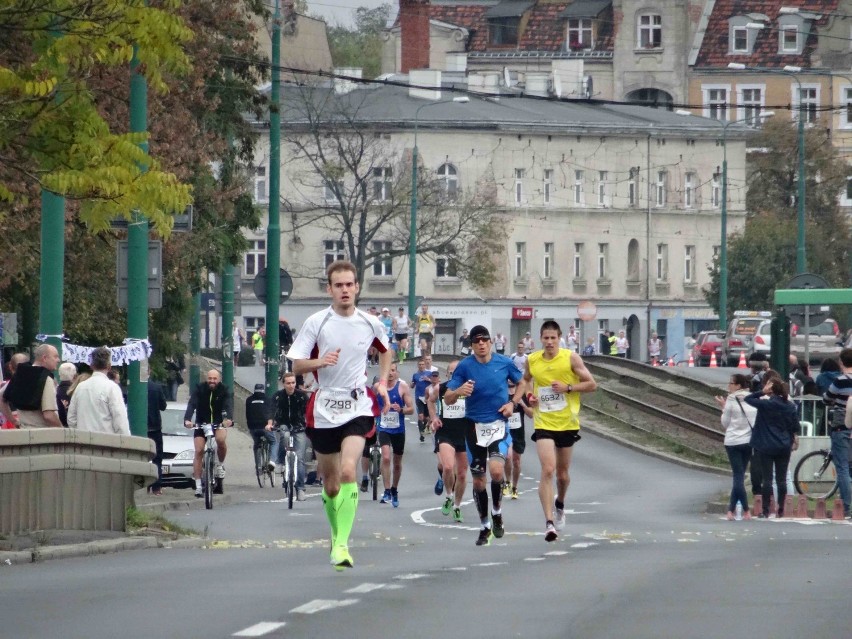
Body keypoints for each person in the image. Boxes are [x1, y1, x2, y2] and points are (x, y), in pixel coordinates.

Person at [288, 260, 391, 570]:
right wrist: (320, 363)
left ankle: (343, 545)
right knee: (331, 485)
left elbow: (386, 350)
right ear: (329, 289)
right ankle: (336, 535)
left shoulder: (370, 322)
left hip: (358, 404)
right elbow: (296, 366)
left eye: (350, 284)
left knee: (349, 471)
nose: (345, 290)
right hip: (324, 407)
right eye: (339, 285)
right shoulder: (317, 322)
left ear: (357, 287)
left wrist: (383, 382)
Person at [516, 320, 597, 542]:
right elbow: (526, 381)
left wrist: (568, 387)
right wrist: (530, 396)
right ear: (540, 339)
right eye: (546, 338)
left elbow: (592, 384)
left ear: (559, 338)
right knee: (548, 470)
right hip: (543, 422)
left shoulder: (570, 358)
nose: (549, 342)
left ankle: (560, 502)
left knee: (562, 475)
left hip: (567, 423)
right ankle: (549, 522)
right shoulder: (533, 360)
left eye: (553, 338)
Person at [444, 325, 522, 546]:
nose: (481, 344)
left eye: (484, 340)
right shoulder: (464, 367)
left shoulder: (504, 362)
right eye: (476, 341)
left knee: (496, 471)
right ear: (471, 345)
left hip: (498, 423)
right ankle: (484, 525)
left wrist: (513, 403)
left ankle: (497, 512)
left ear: (490, 342)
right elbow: (448, 397)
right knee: (478, 481)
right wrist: (459, 392)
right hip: (473, 427)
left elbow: (524, 382)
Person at [743, 378, 799, 518]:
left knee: (767, 479)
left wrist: (761, 391)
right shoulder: (790, 406)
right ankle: (781, 509)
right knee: (781, 479)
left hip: (766, 445)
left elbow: (748, 399)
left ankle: (766, 510)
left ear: (771, 390)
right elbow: (796, 427)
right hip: (784, 446)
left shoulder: (766, 404)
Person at [427, 362, 469, 522]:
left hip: (464, 434)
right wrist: (434, 418)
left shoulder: (468, 389)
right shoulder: (441, 388)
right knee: (448, 466)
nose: (453, 376)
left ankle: (457, 506)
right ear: (447, 374)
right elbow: (430, 401)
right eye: (451, 373)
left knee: (463, 475)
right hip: (445, 432)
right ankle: (449, 495)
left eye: (456, 373)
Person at [184, 369, 234, 497]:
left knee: (221, 440)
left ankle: (220, 465)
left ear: (219, 379)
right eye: (210, 378)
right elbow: (192, 404)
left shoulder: (224, 389)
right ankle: (199, 486)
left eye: (215, 378)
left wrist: (228, 419)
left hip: (218, 423)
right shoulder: (200, 388)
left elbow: (228, 405)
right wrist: (188, 419)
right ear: (207, 378)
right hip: (202, 422)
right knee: (199, 450)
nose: (212, 381)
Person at [715, 374, 756, 520]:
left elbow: (725, 423)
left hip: (732, 442)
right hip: (748, 441)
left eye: (731, 383)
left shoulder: (731, 400)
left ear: (738, 385)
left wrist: (723, 408)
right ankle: (731, 511)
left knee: (738, 476)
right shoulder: (752, 399)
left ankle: (745, 510)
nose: (729, 386)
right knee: (740, 473)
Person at [67, 347, 130, 435]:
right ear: (109, 366)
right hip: (106, 443)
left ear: (91, 366)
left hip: (83, 442)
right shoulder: (112, 387)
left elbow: (71, 418)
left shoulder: (80, 387)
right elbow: (120, 420)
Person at [376, 363, 414, 506]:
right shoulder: (378, 387)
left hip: (398, 429)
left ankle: (394, 489)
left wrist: (402, 410)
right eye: (388, 371)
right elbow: (370, 403)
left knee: (397, 462)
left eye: (393, 371)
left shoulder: (402, 387)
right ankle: (386, 490)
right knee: (386, 457)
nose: (390, 373)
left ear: (397, 373)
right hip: (384, 428)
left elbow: (411, 410)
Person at [1, 344, 62, 429]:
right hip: (43, 434)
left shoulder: (20, 374)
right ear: (44, 358)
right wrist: (61, 429)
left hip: (23, 432)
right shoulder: (46, 379)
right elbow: (49, 415)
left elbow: (1, 397)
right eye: (55, 357)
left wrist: (13, 421)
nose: (58, 360)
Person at [823, 348, 852, 518]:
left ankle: (847, 507)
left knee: (842, 468)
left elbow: (827, 398)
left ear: (841, 362)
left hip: (842, 426)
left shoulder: (840, 380)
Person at [273, 372, 310, 501]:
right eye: (288, 383)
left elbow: (308, 412)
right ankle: (280, 461)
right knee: (285, 435)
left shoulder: (302, 396)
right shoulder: (278, 396)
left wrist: (309, 424)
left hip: (299, 427)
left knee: (300, 458)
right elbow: (271, 411)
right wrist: (270, 423)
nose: (291, 385)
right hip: (284, 424)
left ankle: (300, 488)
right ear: (283, 384)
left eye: (293, 383)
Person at [504, 378, 533, 499]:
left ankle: (515, 487)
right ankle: (507, 483)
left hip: (518, 432)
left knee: (516, 461)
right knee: (508, 457)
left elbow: (531, 414)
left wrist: (522, 404)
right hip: (505, 431)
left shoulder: (522, 396)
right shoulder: (501, 395)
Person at [246, 383, 275, 474]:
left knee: (256, 444)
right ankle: (271, 461)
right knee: (273, 442)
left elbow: (247, 414)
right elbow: (271, 413)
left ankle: (258, 467)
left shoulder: (249, 400)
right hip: (265, 427)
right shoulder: (268, 400)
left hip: (253, 427)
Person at [0, 353, 34, 429]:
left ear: (10, 367)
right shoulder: (38, 380)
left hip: (14, 423)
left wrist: (13, 420)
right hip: (33, 425)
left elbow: (1, 398)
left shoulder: (10, 384)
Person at [147, 375, 168, 495]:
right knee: (157, 458)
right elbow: (163, 406)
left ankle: (142, 485)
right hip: (155, 427)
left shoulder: (132, 387)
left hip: (140, 427)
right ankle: (156, 487)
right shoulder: (156, 387)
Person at [411, 357, 434, 443]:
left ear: (425, 365)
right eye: (419, 365)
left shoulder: (429, 373)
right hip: (419, 397)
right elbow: (412, 385)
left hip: (427, 397)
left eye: (422, 364)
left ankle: (424, 428)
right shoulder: (415, 375)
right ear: (418, 365)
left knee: (427, 418)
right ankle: (421, 434)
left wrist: (428, 379)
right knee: (420, 416)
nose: (421, 366)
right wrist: (412, 384)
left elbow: (435, 382)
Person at [56, 362, 77, 427]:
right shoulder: (76, 391)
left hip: (59, 427)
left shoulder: (55, 391)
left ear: (59, 375)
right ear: (74, 376)